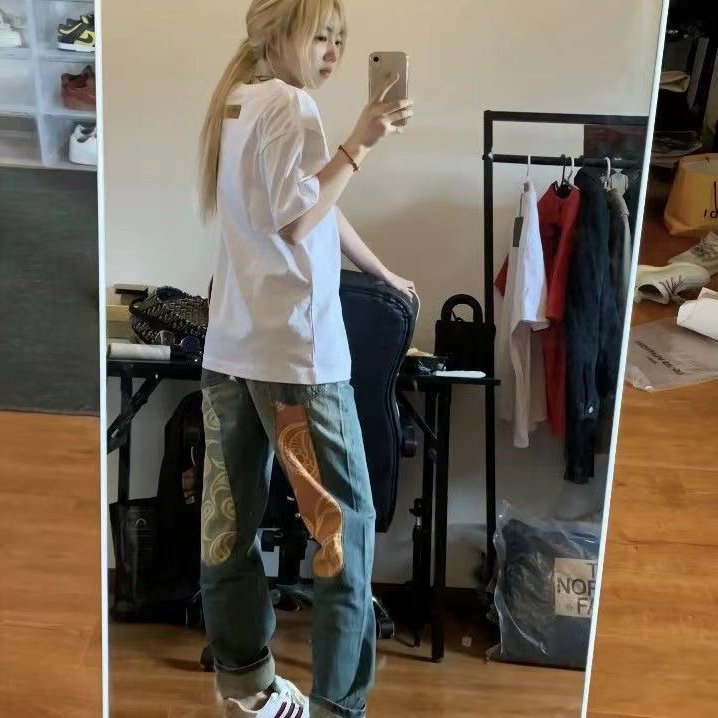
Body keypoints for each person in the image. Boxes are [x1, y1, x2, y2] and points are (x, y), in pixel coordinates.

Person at [196, 0, 415, 716]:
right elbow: (298, 218)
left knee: (228, 520)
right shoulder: (293, 107)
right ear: (278, 31)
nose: (332, 53)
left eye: (339, 40)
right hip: (297, 363)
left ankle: (246, 683)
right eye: (320, 36)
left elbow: (314, 204)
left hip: (231, 350)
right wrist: (362, 143)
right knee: (342, 533)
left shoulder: (238, 99)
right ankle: (337, 705)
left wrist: (380, 270)